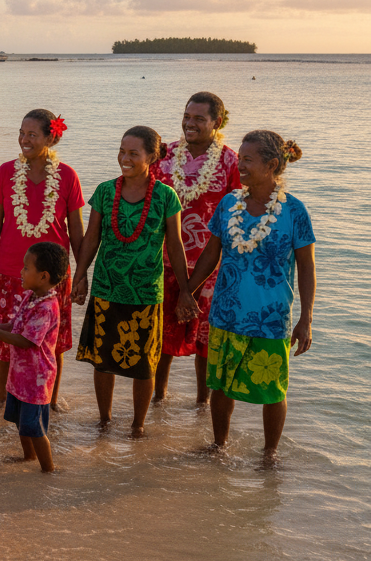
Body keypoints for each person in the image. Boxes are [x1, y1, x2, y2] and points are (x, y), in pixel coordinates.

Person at [184, 131, 315, 461]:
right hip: (226, 311)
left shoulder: (294, 211)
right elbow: (211, 254)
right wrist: (188, 292)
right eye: (239, 157)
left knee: (273, 389)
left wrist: (306, 319)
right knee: (221, 385)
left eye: (247, 159)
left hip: (269, 317)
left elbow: (306, 268)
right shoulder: (230, 204)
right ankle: (219, 445)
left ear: (271, 165)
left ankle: (269, 454)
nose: (239, 164)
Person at [71, 126, 199, 437]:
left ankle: (138, 426)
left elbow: (175, 246)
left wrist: (185, 290)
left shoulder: (166, 196)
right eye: (121, 151)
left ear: (152, 157)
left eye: (133, 153)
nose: (124, 158)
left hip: (145, 292)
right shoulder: (104, 191)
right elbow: (91, 238)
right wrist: (80, 274)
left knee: (144, 364)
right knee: (102, 360)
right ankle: (105, 419)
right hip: (106, 286)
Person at [0, 108, 84, 408]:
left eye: (32, 134)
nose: (24, 139)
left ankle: (48, 402)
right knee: (3, 341)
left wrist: (81, 273)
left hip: (53, 279)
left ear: (51, 137)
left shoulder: (67, 176)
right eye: (21, 133)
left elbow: (76, 230)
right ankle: (4, 402)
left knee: (53, 343)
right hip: (11, 271)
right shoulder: (5, 171)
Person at [154, 92, 240, 404]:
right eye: (187, 117)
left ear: (216, 122)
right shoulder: (165, 156)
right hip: (165, 263)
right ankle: (157, 400)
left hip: (212, 269)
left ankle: (202, 408)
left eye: (199, 119)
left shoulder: (232, 161)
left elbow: (240, 216)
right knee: (162, 341)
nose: (190, 124)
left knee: (206, 345)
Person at [0, 242, 69, 471]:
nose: (21, 272)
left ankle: (48, 468)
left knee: (35, 427)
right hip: (20, 376)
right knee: (21, 423)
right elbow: (14, 326)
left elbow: (26, 340)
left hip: (37, 381)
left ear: (43, 276)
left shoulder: (47, 307)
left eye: (26, 268)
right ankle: (28, 457)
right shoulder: (31, 296)